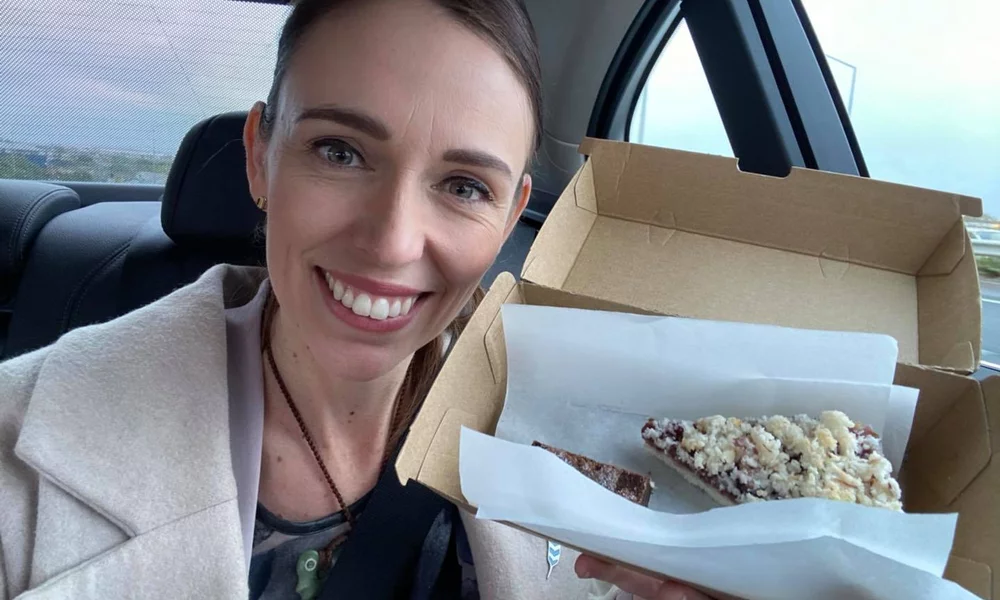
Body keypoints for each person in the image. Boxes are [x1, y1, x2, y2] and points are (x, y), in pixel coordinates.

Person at [0, 1, 714, 598]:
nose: (393, 242)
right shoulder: (16, 444)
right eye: (339, 151)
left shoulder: (606, 461)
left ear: (509, 216)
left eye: (465, 187)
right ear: (259, 156)